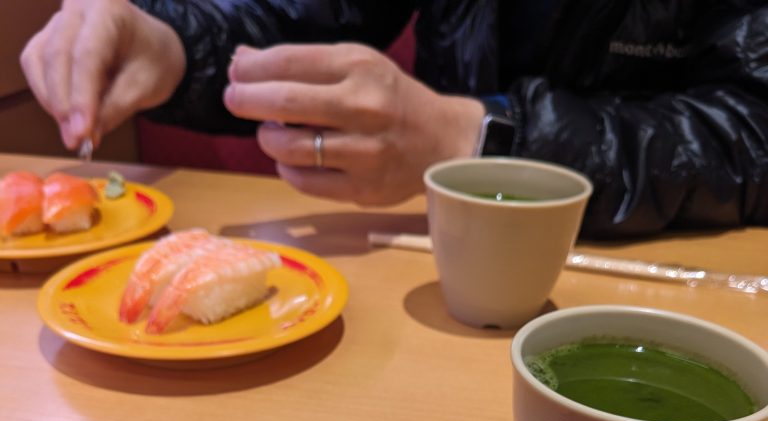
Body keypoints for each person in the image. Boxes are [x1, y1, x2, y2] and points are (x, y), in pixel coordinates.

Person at [20, 0, 768, 237]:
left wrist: (480, 140)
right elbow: (309, 14)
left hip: (670, 271)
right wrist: (175, 47)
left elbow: (751, 131)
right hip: (442, 260)